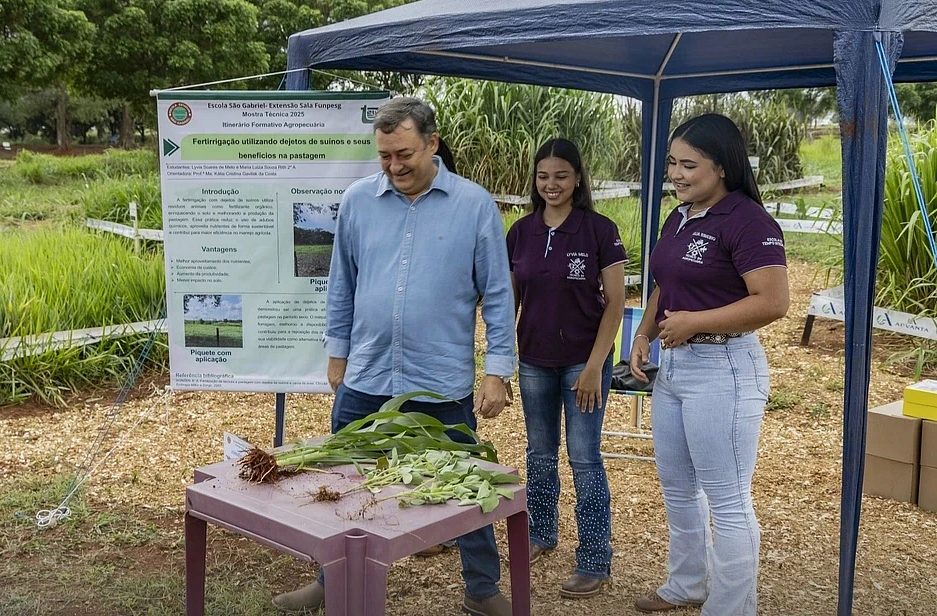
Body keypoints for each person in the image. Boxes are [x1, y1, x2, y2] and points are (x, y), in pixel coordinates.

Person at [271, 97, 517, 616]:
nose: (394, 166)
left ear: (432, 143)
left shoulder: (474, 205)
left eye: (404, 154)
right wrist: (337, 352)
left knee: (467, 484)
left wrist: (497, 370)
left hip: (440, 382)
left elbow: (498, 295)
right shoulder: (358, 201)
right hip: (367, 374)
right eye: (384, 156)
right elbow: (342, 283)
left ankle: (481, 589)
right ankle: (328, 581)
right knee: (340, 483)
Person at [628, 113, 789, 615]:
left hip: (724, 368)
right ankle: (687, 584)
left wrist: (695, 322)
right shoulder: (680, 216)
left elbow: (773, 302)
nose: (676, 174)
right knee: (678, 489)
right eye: (672, 163)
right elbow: (665, 284)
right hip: (676, 368)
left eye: (688, 165)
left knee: (728, 499)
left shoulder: (748, 220)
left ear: (721, 166)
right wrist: (643, 334)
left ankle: (730, 608)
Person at [505, 138, 627, 599]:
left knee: (584, 457)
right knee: (539, 453)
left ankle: (594, 557)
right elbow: (509, 300)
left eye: (561, 175)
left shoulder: (599, 230)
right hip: (534, 361)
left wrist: (595, 366)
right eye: (543, 176)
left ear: (577, 179)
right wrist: (500, 359)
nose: (551, 184)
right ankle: (541, 532)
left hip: (584, 363)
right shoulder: (521, 232)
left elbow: (615, 304)